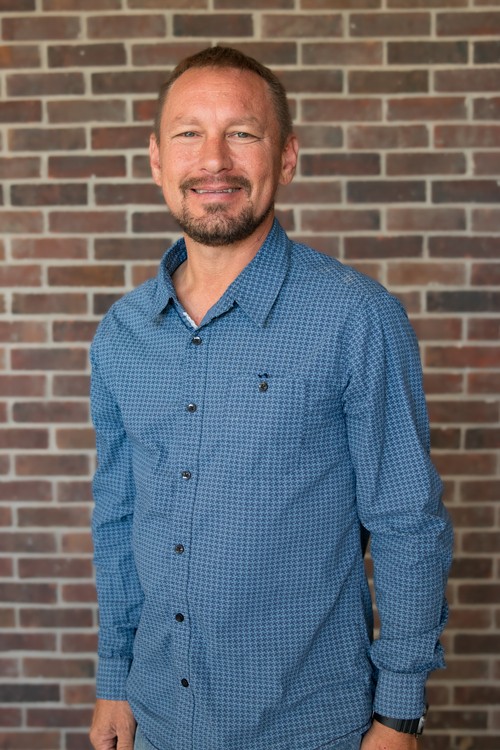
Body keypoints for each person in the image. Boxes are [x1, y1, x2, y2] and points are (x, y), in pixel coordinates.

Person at [89, 46, 453, 750]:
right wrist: (114, 679)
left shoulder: (356, 318)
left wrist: (399, 715)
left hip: (313, 729)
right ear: (157, 159)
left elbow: (409, 523)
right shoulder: (122, 335)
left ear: (285, 158)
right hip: (158, 721)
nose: (214, 160)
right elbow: (119, 517)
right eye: (188, 133)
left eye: (243, 133)